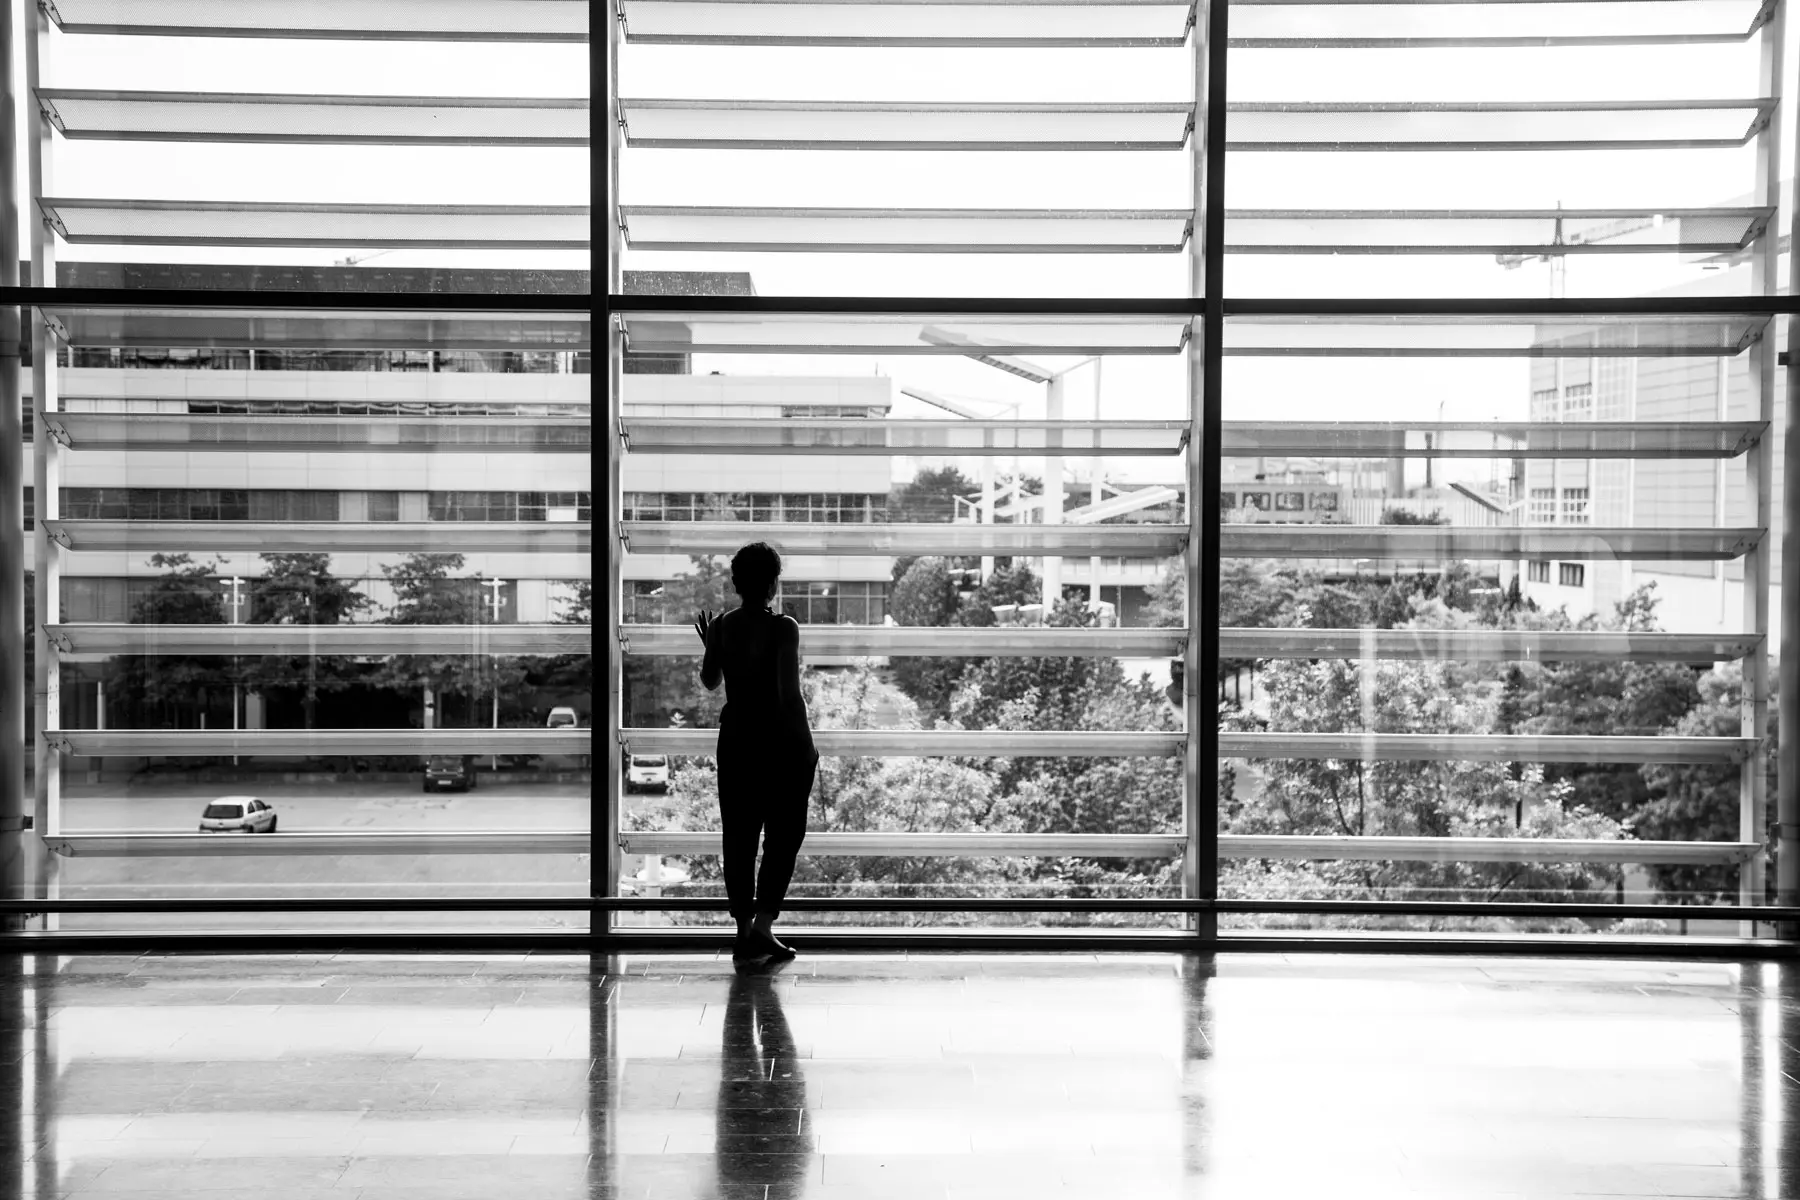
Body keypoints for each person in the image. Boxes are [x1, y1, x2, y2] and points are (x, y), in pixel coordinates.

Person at [694, 541, 819, 961]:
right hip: (777, 742)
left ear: (736, 583)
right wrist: (806, 747)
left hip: (735, 740)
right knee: (784, 834)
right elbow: (789, 695)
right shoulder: (784, 628)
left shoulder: (721, 626)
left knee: (739, 835)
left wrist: (711, 644)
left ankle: (743, 931)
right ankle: (764, 925)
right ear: (772, 583)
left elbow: (710, 681)